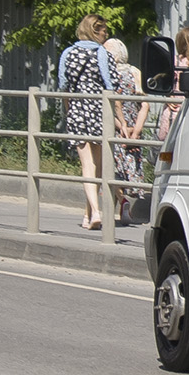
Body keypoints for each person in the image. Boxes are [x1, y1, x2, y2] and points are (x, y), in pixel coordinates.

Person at [58, 14, 117, 230]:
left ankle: (89, 213)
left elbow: (63, 85)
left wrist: (68, 110)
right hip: (99, 110)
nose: (106, 35)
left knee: (87, 166)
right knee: (97, 166)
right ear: (95, 31)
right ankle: (95, 212)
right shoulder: (102, 53)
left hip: (77, 110)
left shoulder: (68, 53)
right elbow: (112, 83)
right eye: (104, 31)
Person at [104, 37, 148, 222]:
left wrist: (125, 129)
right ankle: (121, 206)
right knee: (123, 170)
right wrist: (136, 131)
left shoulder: (108, 74)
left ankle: (120, 204)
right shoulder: (135, 72)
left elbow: (112, 106)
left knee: (114, 170)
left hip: (118, 128)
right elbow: (145, 104)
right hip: (130, 127)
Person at [157, 26, 189, 141]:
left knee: (165, 141)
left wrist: (169, 95)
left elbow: (164, 81)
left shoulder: (174, 61)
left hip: (174, 107)